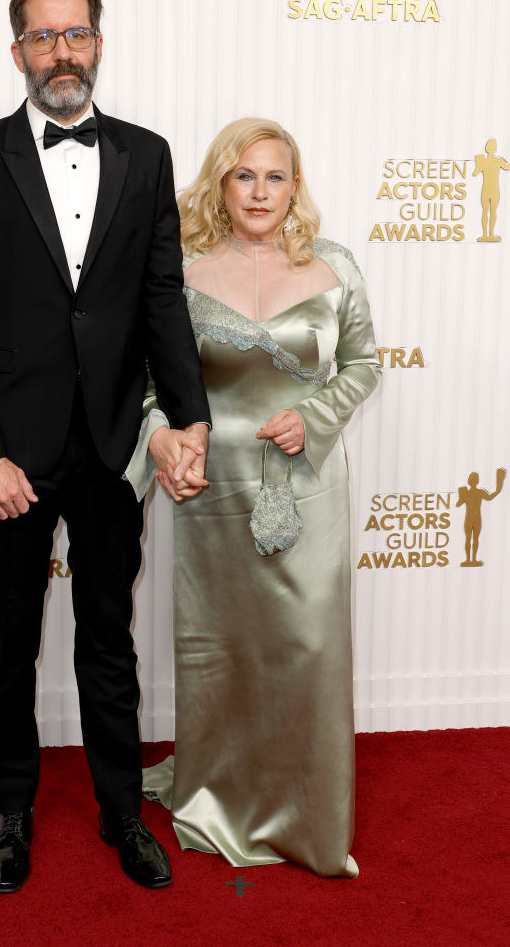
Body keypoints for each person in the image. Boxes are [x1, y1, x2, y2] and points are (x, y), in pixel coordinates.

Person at [0, 0, 210, 894]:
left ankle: (121, 810)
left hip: (113, 442)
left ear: (98, 41)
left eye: (75, 34)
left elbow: (162, 296)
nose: (62, 52)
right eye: (43, 37)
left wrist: (190, 416)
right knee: (9, 640)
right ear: (17, 52)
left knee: (107, 637)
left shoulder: (146, 152)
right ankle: (11, 808)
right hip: (10, 452)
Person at [128, 118, 381, 877]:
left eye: (274, 177)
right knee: (221, 651)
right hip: (210, 488)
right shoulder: (180, 269)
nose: (260, 192)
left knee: (307, 647)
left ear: (294, 186)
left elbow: (363, 365)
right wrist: (158, 437)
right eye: (244, 176)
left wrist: (315, 416)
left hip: (307, 485)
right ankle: (215, 794)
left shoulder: (334, 268)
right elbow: (146, 384)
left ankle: (306, 807)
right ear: (220, 184)